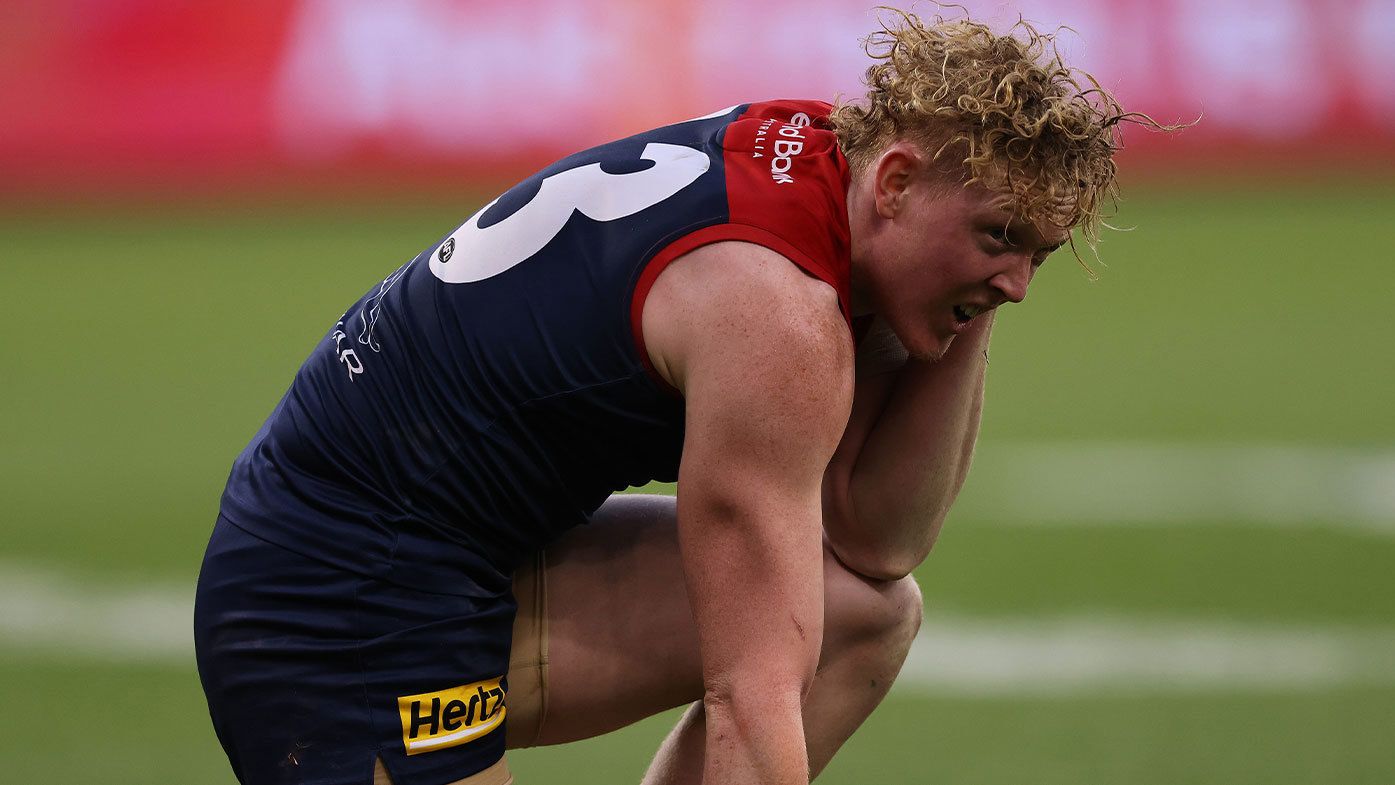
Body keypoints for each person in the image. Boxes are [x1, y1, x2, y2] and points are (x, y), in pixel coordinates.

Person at [196, 9, 1150, 785]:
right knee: (774, 664)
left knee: (864, 612)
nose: (1021, 282)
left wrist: (964, 294)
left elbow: (875, 538)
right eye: (998, 236)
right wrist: (956, 275)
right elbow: (751, 696)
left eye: (1041, 252)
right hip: (332, 600)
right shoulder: (777, 315)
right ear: (895, 182)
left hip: (462, 559)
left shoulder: (835, 172)